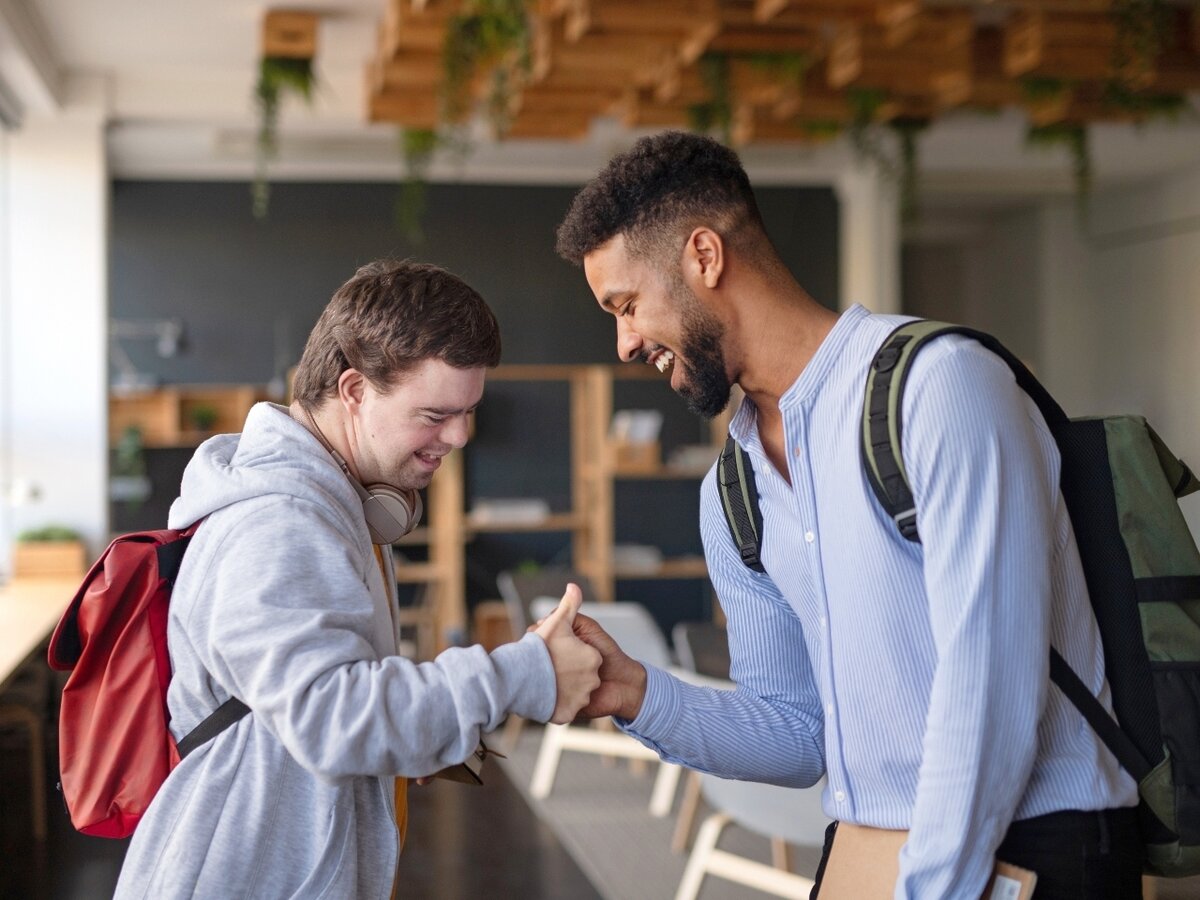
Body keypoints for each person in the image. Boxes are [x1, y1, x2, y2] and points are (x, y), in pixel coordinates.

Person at [554, 131, 1142, 899]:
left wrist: (927, 888)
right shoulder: (732, 490)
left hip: (1033, 845)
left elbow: (992, 691)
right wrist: (635, 692)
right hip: (868, 851)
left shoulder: (940, 387)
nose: (626, 343)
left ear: (704, 256)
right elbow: (798, 735)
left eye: (627, 305)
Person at [113, 259, 602, 900]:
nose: (457, 436)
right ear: (353, 391)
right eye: (434, 415)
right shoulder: (282, 523)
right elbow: (329, 717)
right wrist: (524, 673)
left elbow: (323, 705)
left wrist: (418, 730)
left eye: (467, 412)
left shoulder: (336, 507)